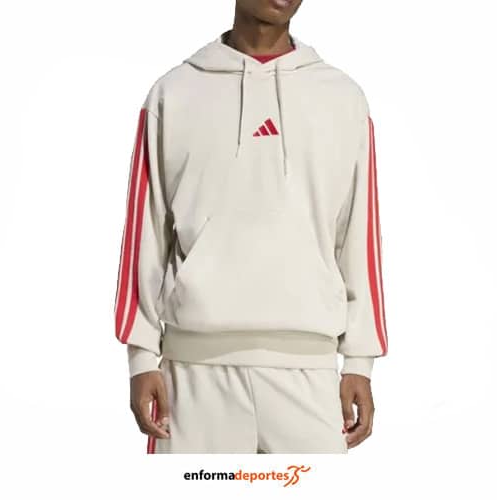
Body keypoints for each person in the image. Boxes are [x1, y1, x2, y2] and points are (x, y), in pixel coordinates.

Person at [114, 0, 388, 454]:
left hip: (309, 372)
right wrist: (141, 356)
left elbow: (359, 231)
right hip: (194, 372)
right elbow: (145, 230)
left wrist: (360, 360)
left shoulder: (342, 98)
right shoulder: (173, 93)